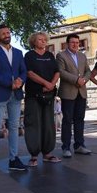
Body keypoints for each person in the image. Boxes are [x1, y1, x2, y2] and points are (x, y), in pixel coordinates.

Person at [0, 24, 28, 178]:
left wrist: (20, 81)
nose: (6, 35)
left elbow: (24, 71)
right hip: (0, 93)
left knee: (15, 127)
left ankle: (13, 159)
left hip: (16, 94)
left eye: (8, 32)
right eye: (3, 33)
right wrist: (9, 82)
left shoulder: (18, 52)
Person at [24, 32, 62, 165]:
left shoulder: (50, 55)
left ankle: (48, 153)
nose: (43, 41)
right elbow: (30, 73)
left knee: (48, 124)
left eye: (45, 40)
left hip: (49, 95)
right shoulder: (29, 55)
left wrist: (51, 84)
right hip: (33, 95)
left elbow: (57, 72)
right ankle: (34, 155)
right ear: (34, 42)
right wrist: (46, 84)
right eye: (40, 40)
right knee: (33, 124)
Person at [56, 33, 92, 158]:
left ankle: (79, 145)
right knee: (67, 120)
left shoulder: (82, 56)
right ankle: (66, 147)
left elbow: (88, 71)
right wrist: (76, 79)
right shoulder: (61, 55)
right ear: (67, 43)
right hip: (68, 92)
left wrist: (84, 80)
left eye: (77, 42)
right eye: (73, 42)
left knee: (80, 119)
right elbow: (61, 72)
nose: (75, 44)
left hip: (81, 92)